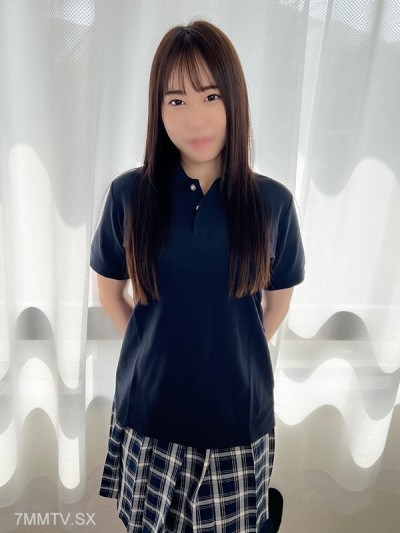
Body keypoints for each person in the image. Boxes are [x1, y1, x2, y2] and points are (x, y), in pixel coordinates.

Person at [90, 18, 305, 533]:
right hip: (150, 415)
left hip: (238, 419)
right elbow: (110, 294)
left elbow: (277, 303)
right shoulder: (128, 196)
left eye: (210, 96)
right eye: (176, 100)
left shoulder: (272, 203)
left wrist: (227, 349)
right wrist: (160, 346)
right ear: (158, 109)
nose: (195, 118)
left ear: (234, 99)